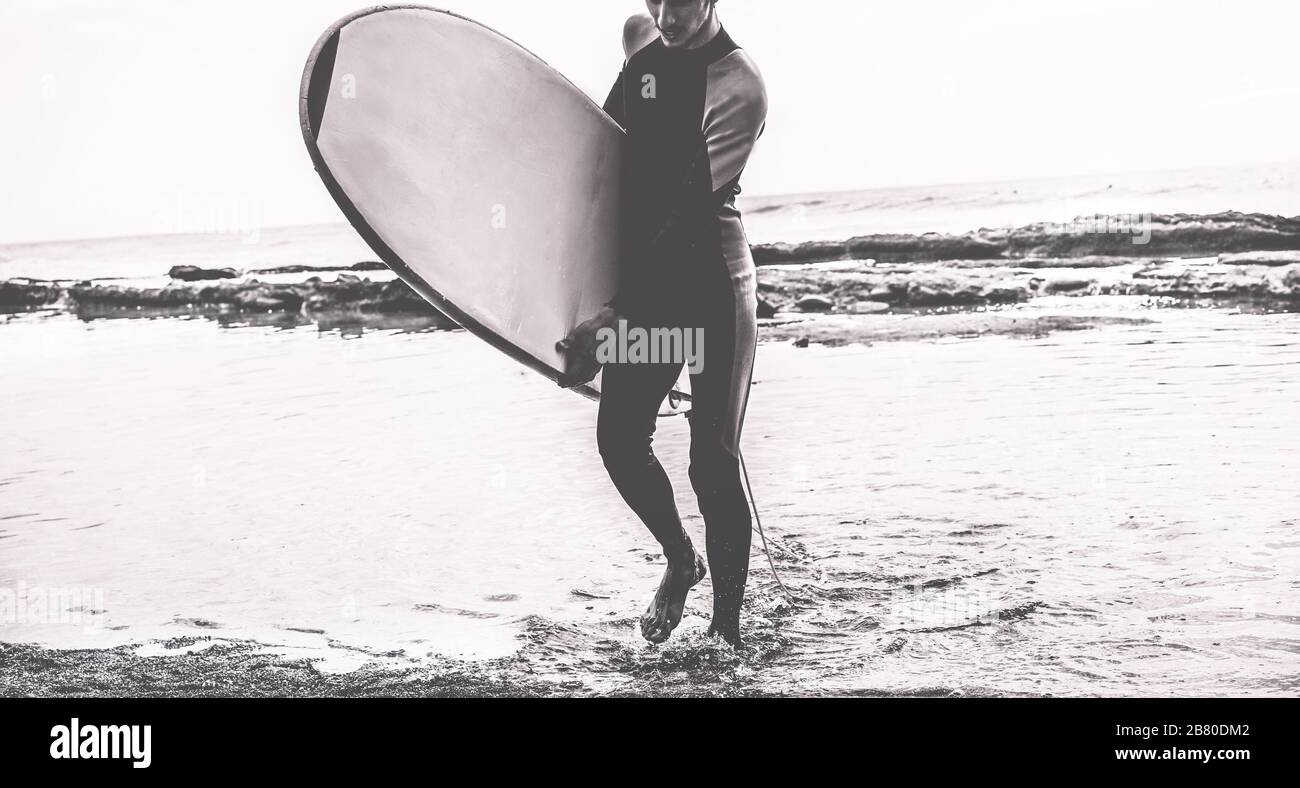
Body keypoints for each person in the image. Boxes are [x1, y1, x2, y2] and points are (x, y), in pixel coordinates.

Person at [556, 0, 768, 648]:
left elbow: (687, 214)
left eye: (682, 2)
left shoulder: (739, 84)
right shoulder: (639, 44)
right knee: (619, 439)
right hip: (652, 288)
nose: (668, 15)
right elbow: (602, 165)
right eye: (658, 0)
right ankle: (681, 559)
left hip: (710, 293)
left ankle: (725, 636)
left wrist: (614, 318)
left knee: (712, 460)